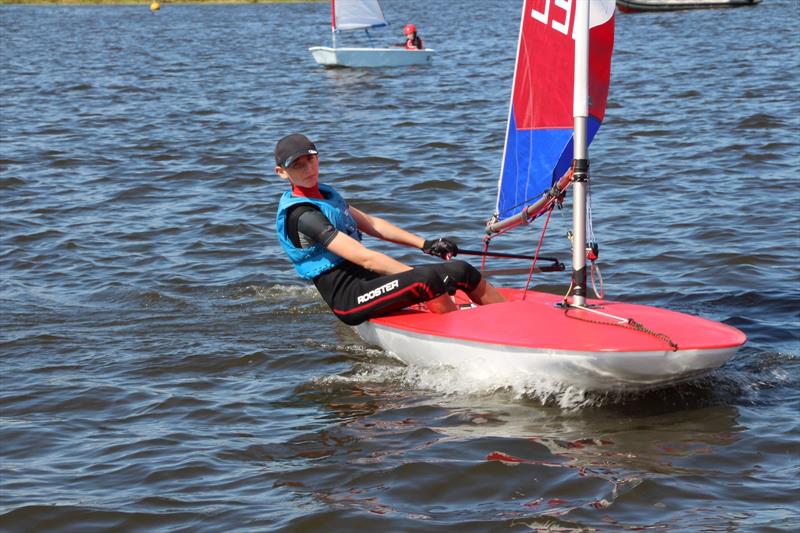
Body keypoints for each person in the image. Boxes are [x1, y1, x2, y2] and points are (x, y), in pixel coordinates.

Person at [274, 133, 505, 326]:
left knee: (461, 270)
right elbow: (366, 258)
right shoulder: (303, 215)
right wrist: (422, 276)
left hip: (369, 281)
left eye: (310, 160)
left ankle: (510, 317)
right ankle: (462, 334)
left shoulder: (325, 195)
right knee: (426, 279)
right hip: (348, 297)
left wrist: (425, 245)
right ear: (282, 172)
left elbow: (372, 224)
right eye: (297, 165)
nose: (307, 169)